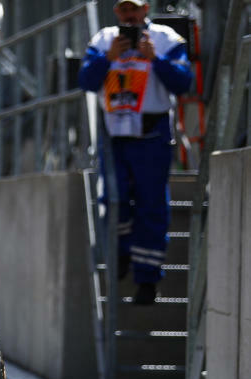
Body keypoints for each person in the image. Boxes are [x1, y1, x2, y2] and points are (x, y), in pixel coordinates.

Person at [78, 0, 193, 305]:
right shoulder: (102, 40)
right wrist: (108, 58)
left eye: (135, 10)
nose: (130, 17)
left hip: (151, 136)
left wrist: (154, 59)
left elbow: (184, 83)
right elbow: (85, 81)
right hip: (114, 139)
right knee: (113, 202)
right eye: (124, 11)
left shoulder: (166, 39)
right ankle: (121, 253)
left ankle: (147, 280)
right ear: (117, 13)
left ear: (145, 10)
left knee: (152, 207)